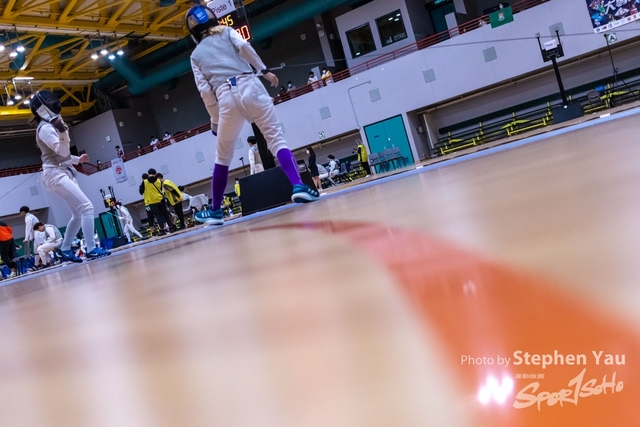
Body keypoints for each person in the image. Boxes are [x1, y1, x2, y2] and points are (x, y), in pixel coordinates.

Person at [186, 4, 319, 225]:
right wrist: (263, 70)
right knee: (276, 140)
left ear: (192, 33)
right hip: (250, 86)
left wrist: (216, 120)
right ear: (214, 19)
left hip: (225, 98)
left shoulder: (195, 55)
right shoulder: (227, 32)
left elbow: (205, 93)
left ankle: (216, 211)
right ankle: (298, 186)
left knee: (222, 158)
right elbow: (244, 46)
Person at [30, 90, 109, 262]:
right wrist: (63, 132)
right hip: (55, 174)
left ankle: (65, 249)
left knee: (78, 214)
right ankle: (91, 249)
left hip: (60, 171)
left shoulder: (49, 124)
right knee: (87, 207)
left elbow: (61, 153)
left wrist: (77, 160)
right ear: (41, 108)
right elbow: (61, 150)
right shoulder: (45, 129)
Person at [142, 168, 173, 233]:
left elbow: (141, 191)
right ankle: (171, 227)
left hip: (152, 202)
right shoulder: (159, 181)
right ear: (155, 174)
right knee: (166, 215)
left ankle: (162, 230)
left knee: (158, 216)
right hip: (160, 199)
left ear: (148, 174)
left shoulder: (144, 182)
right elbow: (160, 189)